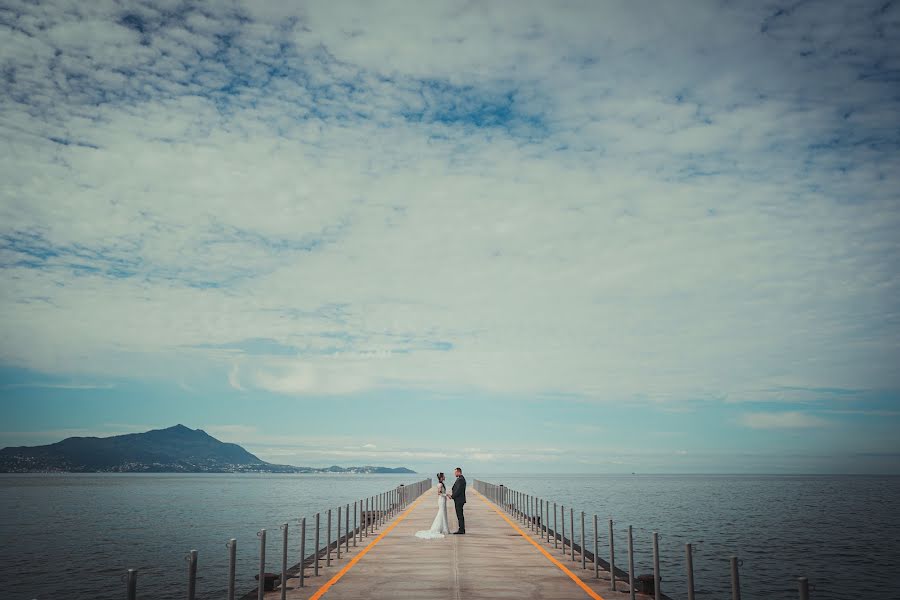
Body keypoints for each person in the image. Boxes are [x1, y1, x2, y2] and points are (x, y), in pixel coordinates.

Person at [415, 472, 450, 539]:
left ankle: (443, 528)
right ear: (441, 477)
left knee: (443, 513)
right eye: (444, 476)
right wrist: (446, 495)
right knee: (441, 513)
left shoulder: (442, 484)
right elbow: (439, 493)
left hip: (443, 500)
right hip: (441, 500)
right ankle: (439, 528)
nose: (445, 477)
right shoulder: (440, 484)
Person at [448, 467, 466, 534]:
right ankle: (461, 529)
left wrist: (452, 496)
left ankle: (461, 530)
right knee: (459, 515)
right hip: (459, 499)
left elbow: (458, 490)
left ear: (459, 472)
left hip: (459, 500)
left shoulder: (461, 479)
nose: (454, 474)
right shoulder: (460, 479)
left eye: (455, 472)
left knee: (460, 515)